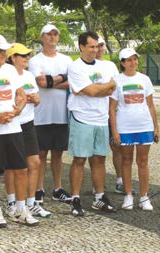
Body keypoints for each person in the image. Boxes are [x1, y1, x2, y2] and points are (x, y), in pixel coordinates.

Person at [0, 33, 39, 227]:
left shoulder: (11, 71)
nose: (5, 54)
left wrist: (17, 110)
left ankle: (21, 209)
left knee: (21, 168)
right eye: (0, 50)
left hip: (13, 127)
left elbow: (21, 95)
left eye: (5, 50)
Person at [67, 31, 116, 216]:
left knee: (99, 159)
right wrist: (101, 88)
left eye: (97, 46)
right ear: (81, 46)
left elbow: (109, 89)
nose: (95, 50)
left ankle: (99, 198)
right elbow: (92, 90)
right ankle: (75, 199)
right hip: (82, 118)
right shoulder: (75, 67)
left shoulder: (107, 66)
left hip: (102, 119)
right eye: (91, 46)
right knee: (79, 159)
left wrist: (96, 90)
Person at [5, 43, 51, 218]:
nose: (26, 58)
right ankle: (11, 203)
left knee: (34, 162)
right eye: (22, 55)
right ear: (12, 58)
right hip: (11, 124)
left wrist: (35, 99)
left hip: (28, 123)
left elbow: (37, 98)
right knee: (12, 166)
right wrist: (20, 100)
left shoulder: (29, 75)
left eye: (28, 55)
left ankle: (31, 203)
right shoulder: (6, 76)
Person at [109, 48, 159, 211]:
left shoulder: (145, 79)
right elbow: (112, 108)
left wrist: (156, 127)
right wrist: (115, 131)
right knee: (126, 160)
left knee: (143, 161)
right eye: (129, 60)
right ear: (122, 63)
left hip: (144, 125)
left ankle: (144, 196)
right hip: (125, 126)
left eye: (135, 59)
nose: (133, 62)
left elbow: (150, 105)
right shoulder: (116, 80)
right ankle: (128, 195)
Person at [28, 24, 73, 204]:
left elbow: (73, 83)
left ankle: (57, 188)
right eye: (49, 34)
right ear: (42, 38)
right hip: (41, 115)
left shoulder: (67, 60)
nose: (52, 37)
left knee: (58, 153)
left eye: (55, 34)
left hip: (61, 113)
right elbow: (40, 82)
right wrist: (63, 77)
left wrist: (51, 80)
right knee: (40, 153)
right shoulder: (35, 60)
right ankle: (39, 189)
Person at [95, 37, 126, 194]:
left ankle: (120, 180)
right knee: (97, 151)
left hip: (112, 112)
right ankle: (97, 184)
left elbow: (116, 87)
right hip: (95, 114)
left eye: (101, 46)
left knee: (117, 147)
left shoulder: (110, 65)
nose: (99, 49)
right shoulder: (86, 66)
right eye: (96, 46)